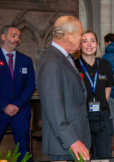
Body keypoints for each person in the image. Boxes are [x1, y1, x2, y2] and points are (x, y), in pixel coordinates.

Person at [36, 16, 91, 161]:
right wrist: (72, 140)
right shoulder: (51, 62)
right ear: (70, 36)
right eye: (81, 34)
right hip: (65, 145)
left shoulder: (64, 58)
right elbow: (54, 110)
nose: (82, 38)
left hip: (75, 139)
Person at [74, 30, 114, 159]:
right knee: (82, 157)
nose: (89, 44)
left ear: (97, 44)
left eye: (92, 41)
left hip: (102, 116)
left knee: (104, 157)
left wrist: (101, 103)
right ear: (79, 45)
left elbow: (108, 87)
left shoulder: (105, 65)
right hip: (81, 117)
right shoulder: (73, 66)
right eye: (85, 41)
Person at [0, 25, 35, 161]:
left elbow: (30, 86)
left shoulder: (26, 60)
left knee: (24, 150)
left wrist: (16, 105)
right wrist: (4, 106)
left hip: (20, 112)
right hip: (0, 111)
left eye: (19, 37)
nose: (17, 39)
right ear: (3, 37)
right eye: (13, 36)